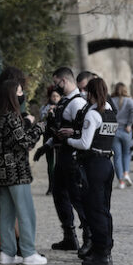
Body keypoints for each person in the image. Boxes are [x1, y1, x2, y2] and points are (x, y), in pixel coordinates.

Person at [0, 80, 46, 265]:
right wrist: (39, 128)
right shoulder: (11, 117)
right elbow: (24, 142)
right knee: (26, 212)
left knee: (6, 213)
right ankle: (28, 252)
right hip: (15, 171)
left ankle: (7, 252)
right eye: (19, 92)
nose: (22, 95)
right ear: (12, 95)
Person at [35, 67, 90, 253]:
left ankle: (88, 238)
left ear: (64, 81)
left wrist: (72, 133)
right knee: (60, 196)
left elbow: (86, 129)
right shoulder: (66, 102)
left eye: (56, 82)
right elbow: (60, 129)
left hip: (73, 157)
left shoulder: (77, 103)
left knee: (77, 198)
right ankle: (69, 236)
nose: (55, 87)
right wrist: (47, 145)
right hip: (62, 155)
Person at [63, 78, 116, 265]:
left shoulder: (92, 113)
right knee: (104, 209)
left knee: (94, 210)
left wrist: (68, 140)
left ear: (90, 93)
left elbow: (84, 143)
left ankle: (101, 253)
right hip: (107, 164)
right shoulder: (110, 110)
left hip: (93, 165)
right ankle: (104, 249)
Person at [111, 82, 133, 189]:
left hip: (114, 131)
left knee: (117, 157)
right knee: (126, 154)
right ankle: (126, 173)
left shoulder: (112, 100)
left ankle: (121, 182)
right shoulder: (129, 101)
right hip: (126, 131)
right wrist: (129, 124)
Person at [39, 86, 62, 195]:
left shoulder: (63, 107)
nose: (55, 98)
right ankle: (51, 186)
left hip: (58, 137)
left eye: (57, 96)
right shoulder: (45, 107)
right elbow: (42, 121)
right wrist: (48, 113)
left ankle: (58, 186)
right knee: (50, 163)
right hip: (48, 136)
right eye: (53, 96)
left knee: (59, 163)